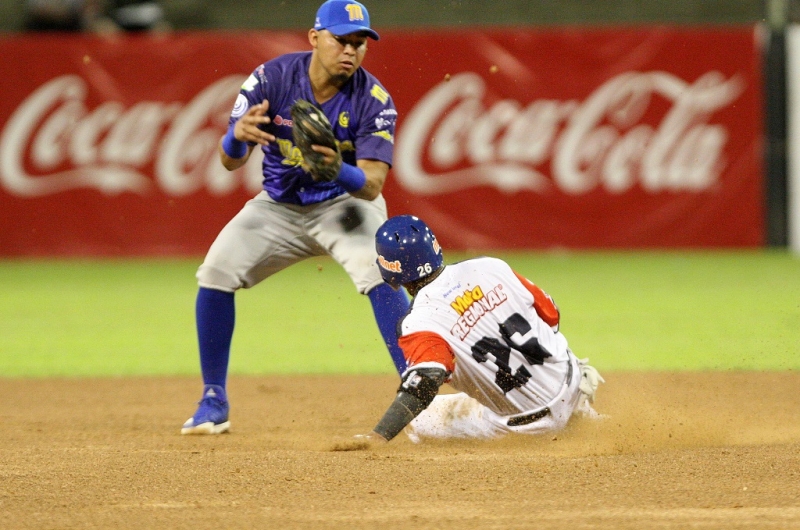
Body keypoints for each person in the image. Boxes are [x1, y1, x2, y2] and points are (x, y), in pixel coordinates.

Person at [181, 0, 410, 434]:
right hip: (279, 207)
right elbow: (230, 161)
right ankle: (213, 398)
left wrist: (335, 169)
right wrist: (234, 138)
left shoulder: (374, 98)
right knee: (215, 272)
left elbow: (373, 184)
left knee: (382, 270)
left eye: (359, 43)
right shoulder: (272, 78)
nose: (351, 50)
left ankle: (417, 385)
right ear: (314, 38)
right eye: (341, 39)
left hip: (344, 203)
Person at [356, 215, 605, 444]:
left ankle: (538, 441)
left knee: (422, 421)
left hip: (532, 424)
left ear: (390, 269)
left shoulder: (418, 322)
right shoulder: (490, 266)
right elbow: (551, 316)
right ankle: (583, 416)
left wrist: (378, 436)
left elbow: (425, 381)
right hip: (573, 382)